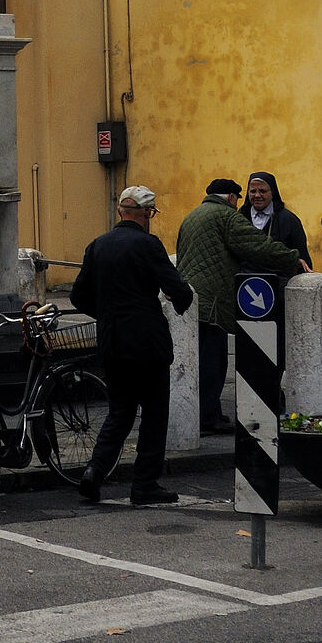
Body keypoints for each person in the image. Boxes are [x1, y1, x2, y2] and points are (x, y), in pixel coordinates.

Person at [68, 186, 195, 506]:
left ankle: (95, 471)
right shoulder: (148, 244)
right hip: (147, 343)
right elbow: (177, 289)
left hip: (112, 342)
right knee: (153, 414)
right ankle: (144, 484)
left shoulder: (97, 246)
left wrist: (108, 314)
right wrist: (180, 298)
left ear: (121, 212)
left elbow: (78, 296)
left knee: (119, 412)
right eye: (150, 214)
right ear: (143, 213)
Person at [176, 179, 305, 433]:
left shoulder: (193, 215)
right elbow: (255, 245)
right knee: (213, 362)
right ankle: (207, 418)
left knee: (200, 360)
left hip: (191, 299)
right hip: (212, 302)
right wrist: (293, 258)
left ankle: (210, 412)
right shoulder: (226, 216)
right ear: (232, 197)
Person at [246, 172, 313, 269]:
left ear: (272, 192)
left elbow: (302, 257)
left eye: (262, 191)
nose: (257, 195)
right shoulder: (240, 218)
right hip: (245, 280)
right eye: (253, 191)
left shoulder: (289, 220)